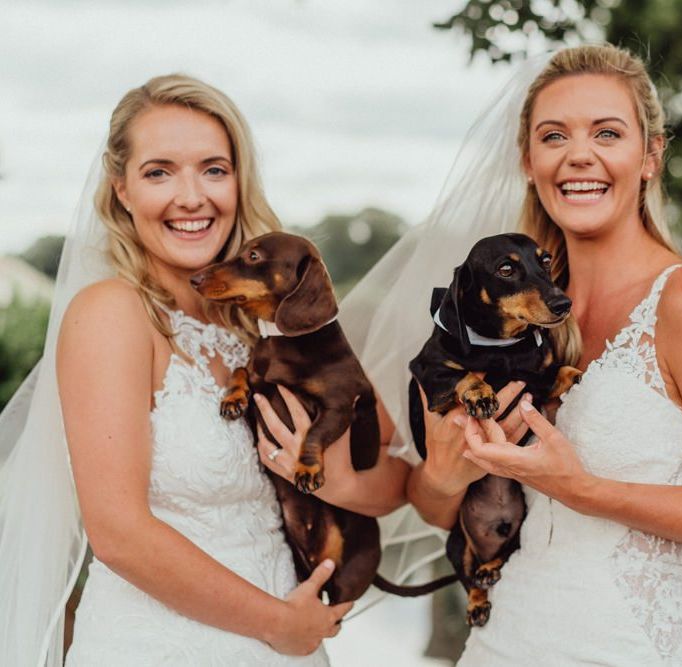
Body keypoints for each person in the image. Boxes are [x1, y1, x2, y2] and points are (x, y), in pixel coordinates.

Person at [0, 74, 408, 666]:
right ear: (122, 190)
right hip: (165, 646)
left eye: (213, 169)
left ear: (239, 181)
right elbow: (117, 534)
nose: (191, 197)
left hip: (289, 643)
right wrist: (279, 624)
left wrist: (335, 477)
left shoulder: (263, 321)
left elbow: (393, 480)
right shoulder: (111, 314)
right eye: (159, 172)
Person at [402, 44, 682, 666]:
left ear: (651, 156)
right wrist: (443, 474)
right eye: (555, 136)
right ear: (529, 161)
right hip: (497, 644)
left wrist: (583, 490)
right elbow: (433, 506)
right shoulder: (501, 320)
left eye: (607, 132)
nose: (580, 154)